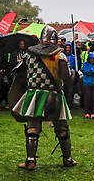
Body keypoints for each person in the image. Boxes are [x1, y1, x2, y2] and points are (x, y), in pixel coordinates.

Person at [8, 25, 77, 170]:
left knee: (33, 127)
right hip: (54, 95)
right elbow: (66, 78)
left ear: (41, 39)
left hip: (35, 94)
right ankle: (68, 159)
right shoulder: (61, 55)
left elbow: (18, 73)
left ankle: (30, 160)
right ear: (55, 39)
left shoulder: (29, 54)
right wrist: (74, 74)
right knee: (62, 128)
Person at [82, 52, 94, 118]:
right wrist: (93, 71)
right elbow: (85, 71)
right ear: (89, 58)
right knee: (87, 98)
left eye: (93, 58)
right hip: (87, 83)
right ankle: (87, 112)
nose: (92, 60)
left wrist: (92, 71)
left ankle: (92, 113)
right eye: (91, 58)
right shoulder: (85, 64)